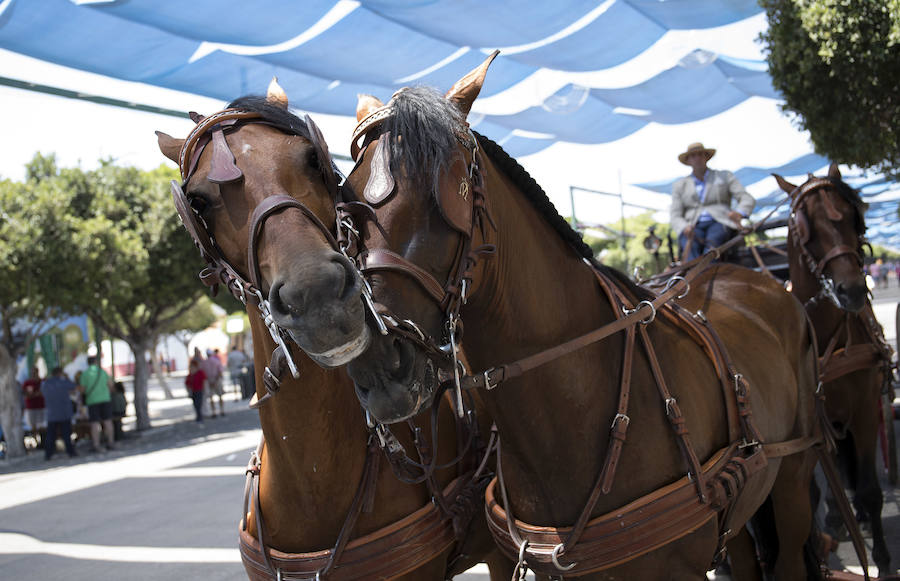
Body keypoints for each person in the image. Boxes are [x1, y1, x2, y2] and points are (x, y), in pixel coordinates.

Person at [670, 142, 755, 262]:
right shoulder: (679, 185)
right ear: (688, 160)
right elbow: (675, 214)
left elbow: (746, 199)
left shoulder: (724, 176)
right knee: (689, 246)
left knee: (713, 243)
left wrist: (739, 213)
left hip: (720, 221)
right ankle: (693, 275)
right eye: (693, 156)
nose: (697, 158)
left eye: (700, 154)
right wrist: (684, 227)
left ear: (706, 157)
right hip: (693, 226)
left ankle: (705, 272)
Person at [78, 355, 115, 452]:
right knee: (108, 421)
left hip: (92, 401)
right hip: (105, 399)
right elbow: (111, 385)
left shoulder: (85, 374)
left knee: (94, 424)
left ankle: (96, 444)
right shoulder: (102, 372)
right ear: (96, 362)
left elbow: (82, 390)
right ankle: (111, 442)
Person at [40, 367, 78, 460]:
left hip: (51, 413)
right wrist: (67, 377)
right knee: (66, 434)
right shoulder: (63, 381)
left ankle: (48, 454)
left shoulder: (46, 383)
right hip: (64, 412)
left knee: (51, 435)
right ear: (60, 373)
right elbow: (74, 386)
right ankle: (70, 452)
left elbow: (42, 393)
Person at [22, 366, 46, 443]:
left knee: (42, 425)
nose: (34, 373)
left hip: (41, 407)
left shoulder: (42, 381)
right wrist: (35, 395)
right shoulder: (27, 383)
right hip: (31, 408)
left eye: (35, 371)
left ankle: (43, 442)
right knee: (33, 426)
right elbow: (26, 394)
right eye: (32, 372)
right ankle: (36, 442)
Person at [202, 348, 225, 417]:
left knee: (211, 397)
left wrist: (210, 381)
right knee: (220, 395)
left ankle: (214, 412)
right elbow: (220, 372)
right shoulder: (216, 361)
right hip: (217, 380)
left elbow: (204, 373)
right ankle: (222, 410)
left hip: (210, 381)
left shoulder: (204, 363)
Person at [185, 358, 207, 423]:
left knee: (199, 403)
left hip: (199, 390)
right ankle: (198, 416)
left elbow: (204, 381)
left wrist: (205, 389)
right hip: (193, 391)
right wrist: (188, 391)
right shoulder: (190, 375)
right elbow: (187, 383)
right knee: (195, 404)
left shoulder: (200, 373)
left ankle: (200, 416)